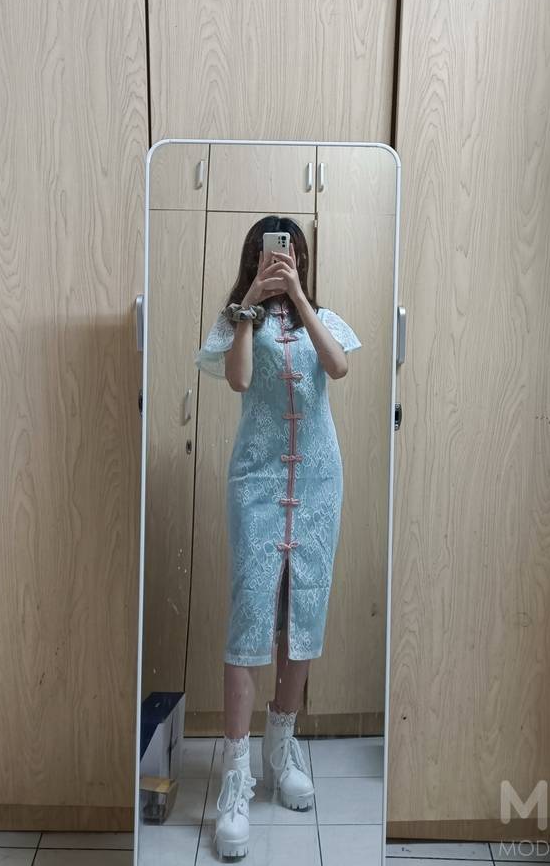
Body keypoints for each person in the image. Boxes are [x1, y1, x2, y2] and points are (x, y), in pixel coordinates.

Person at [195, 216, 361, 860]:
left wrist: (296, 297)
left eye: (289, 255)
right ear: (254, 258)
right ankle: (236, 779)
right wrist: (251, 304)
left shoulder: (323, 316)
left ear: (302, 260)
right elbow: (238, 379)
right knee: (251, 616)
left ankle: (281, 748)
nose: (280, 260)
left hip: (318, 483)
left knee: (303, 610)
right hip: (257, 483)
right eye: (270, 255)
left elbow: (338, 367)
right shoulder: (237, 320)